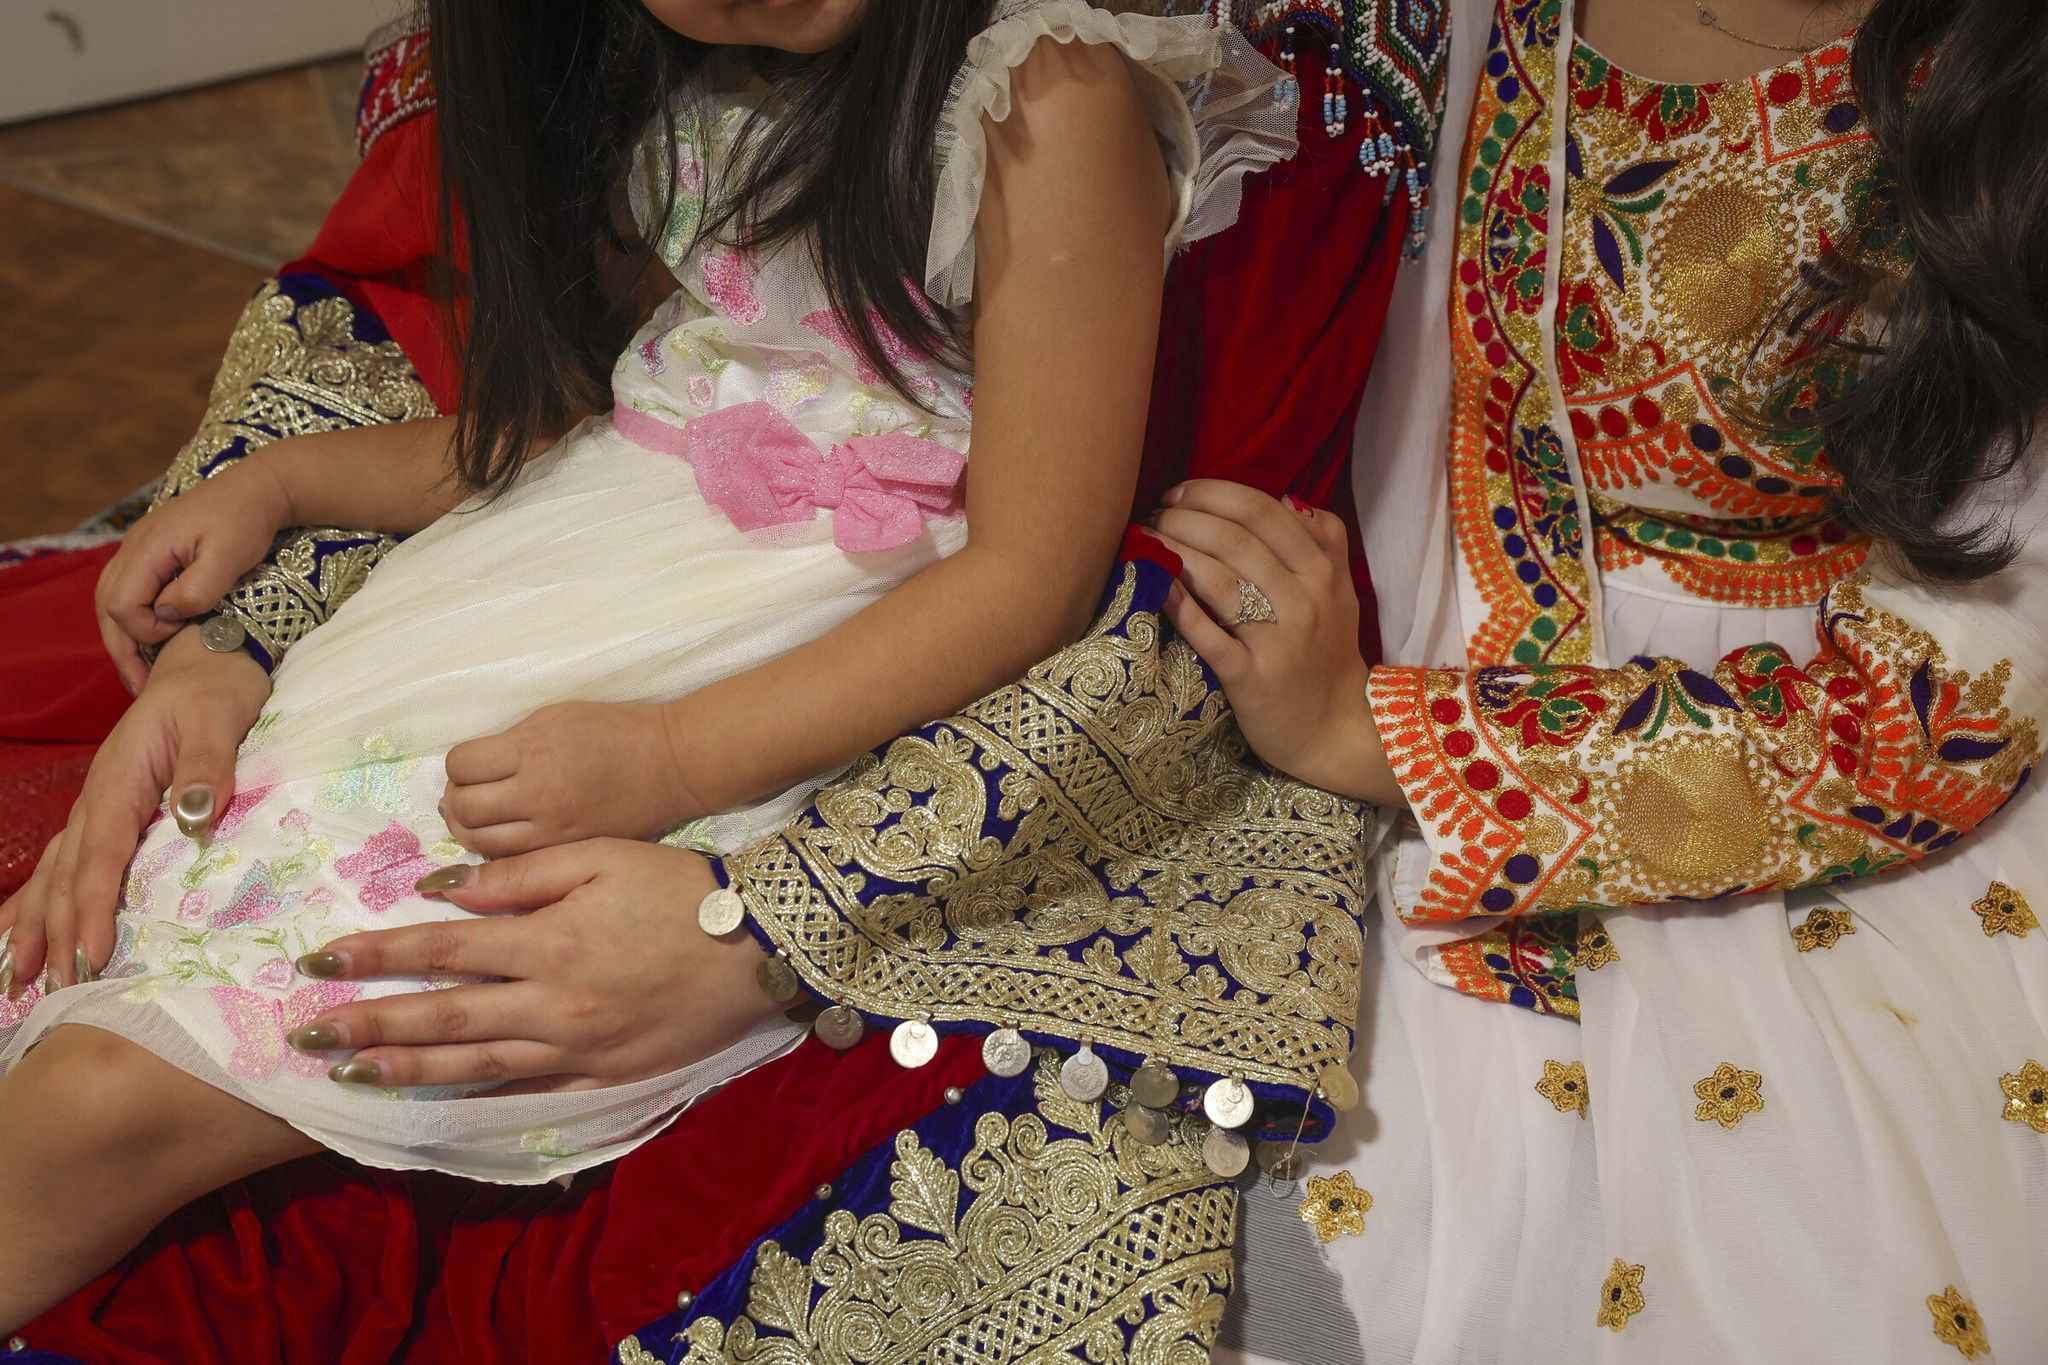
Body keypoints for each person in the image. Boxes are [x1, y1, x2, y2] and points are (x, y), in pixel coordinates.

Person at [0, 0, 1297, 1331]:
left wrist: (670, 758)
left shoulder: (1047, 93)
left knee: (125, 1091)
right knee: (103, 960)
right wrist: (282, 482)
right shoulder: (689, 77)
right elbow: (597, 419)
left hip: (751, 674)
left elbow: (1034, 570)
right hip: (535, 586)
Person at [1137, 0, 2048, 1358]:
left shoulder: (2000, 80)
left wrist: (1385, 737)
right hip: (1376, 685)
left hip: (1818, 821)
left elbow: (1950, 709)